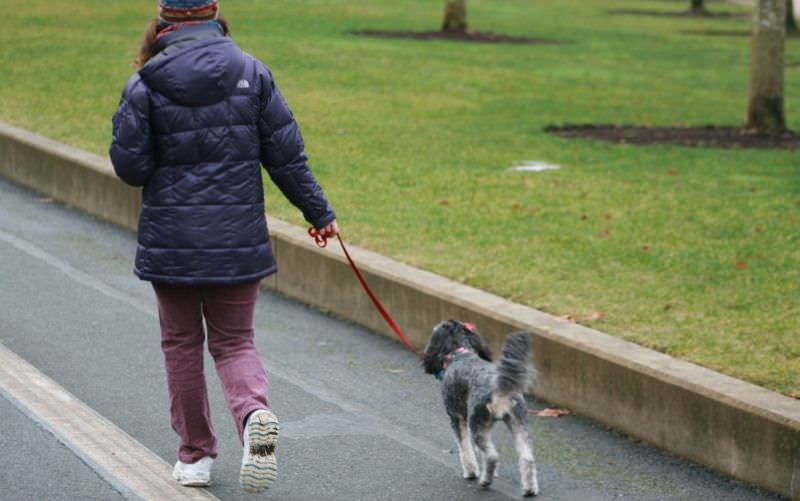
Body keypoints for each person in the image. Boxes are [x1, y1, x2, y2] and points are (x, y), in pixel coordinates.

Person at [109, 0, 338, 492]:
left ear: (165, 19)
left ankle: (195, 456)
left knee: (182, 345)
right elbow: (287, 156)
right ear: (214, 13)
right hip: (237, 237)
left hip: (172, 241)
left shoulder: (145, 83)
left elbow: (130, 169)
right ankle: (254, 412)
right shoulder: (252, 73)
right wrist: (319, 214)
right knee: (235, 341)